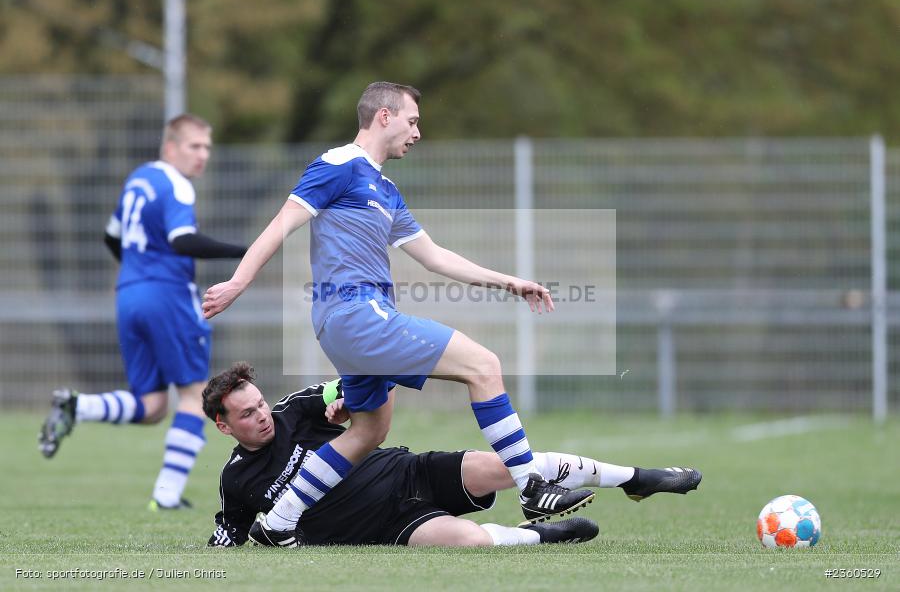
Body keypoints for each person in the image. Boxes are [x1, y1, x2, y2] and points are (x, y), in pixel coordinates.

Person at [201, 82, 593, 545]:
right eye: (412, 120)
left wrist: (509, 281)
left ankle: (282, 519)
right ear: (384, 117)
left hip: (349, 325)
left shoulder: (385, 189)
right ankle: (531, 486)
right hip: (356, 316)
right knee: (484, 366)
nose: (418, 132)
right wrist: (239, 282)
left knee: (369, 430)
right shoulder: (338, 164)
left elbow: (435, 257)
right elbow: (282, 222)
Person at [205, 362, 701, 547]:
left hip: (406, 472)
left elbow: (347, 385)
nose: (263, 415)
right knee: (468, 541)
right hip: (382, 528)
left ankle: (637, 478)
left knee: (505, 466)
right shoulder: (237, 481)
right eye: (247, 415)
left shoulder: (293, 410)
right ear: (225, 426)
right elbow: (231, 532)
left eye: (259, 403)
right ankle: (539, 536)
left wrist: (345, 400)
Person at [39, 114, 247, 511]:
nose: (202, 155)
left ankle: (76, 406)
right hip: (167, 295)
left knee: (152, 406)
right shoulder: (176, 184)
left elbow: (111, 236)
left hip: (129, 295)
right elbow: (182, 240)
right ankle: (166, 496)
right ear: (170, 148)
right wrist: (247, 252)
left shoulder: (139, 178)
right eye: (194, 146)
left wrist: (138, 270)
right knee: (191, 396)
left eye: (207, 148)